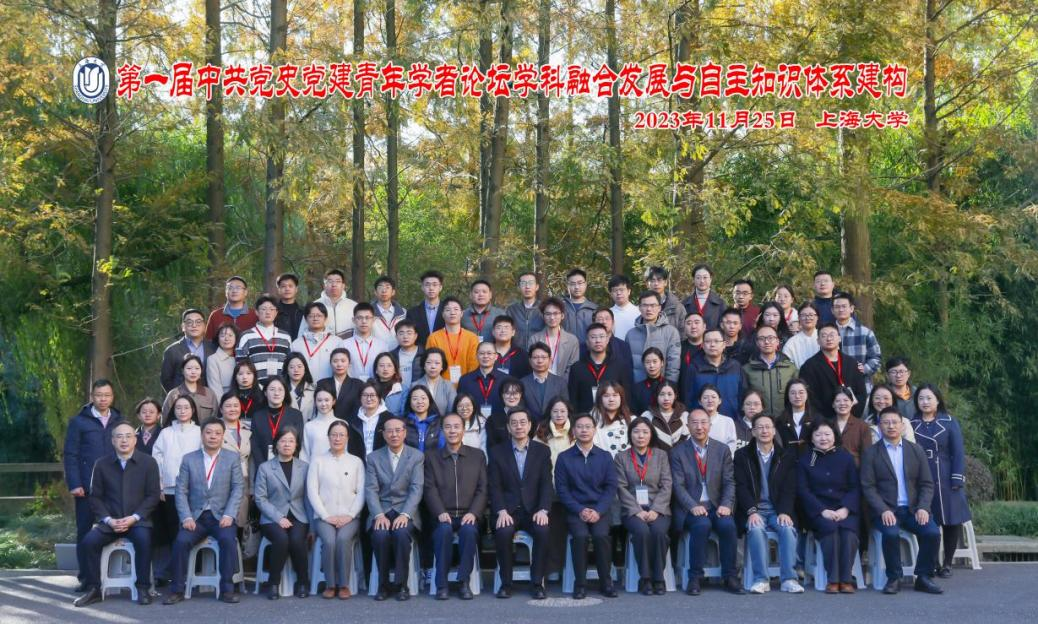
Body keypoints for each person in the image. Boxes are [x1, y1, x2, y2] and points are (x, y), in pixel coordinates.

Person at [72, 422, 161, 607]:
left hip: (138, 521)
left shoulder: (148, 463)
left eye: (128, 436)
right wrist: (109, 520)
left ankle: (143, 587)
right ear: (112, 441)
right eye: (119, 436)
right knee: (89, 542)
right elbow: (95, 498)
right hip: (110, 521)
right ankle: (94, 589)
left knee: (144, 541)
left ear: (135, 440)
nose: (124, 440)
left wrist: (134, 517)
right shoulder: (101, 464)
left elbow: (153, 496)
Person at [860, 407, 944, 595]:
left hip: (912, 509)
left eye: (894, 422)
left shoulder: (916, 450)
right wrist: (883, 509)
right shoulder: (871, 453)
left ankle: (923, 577)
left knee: (932, 532)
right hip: (886, 510)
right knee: (890, 533)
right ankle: (894, 577)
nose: (890, 426)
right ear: (879, 427)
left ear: (902, 425)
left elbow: (927, 483)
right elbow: (868, 487)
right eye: (886, 422)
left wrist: (923, 507)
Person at [163, 418, 245, 604]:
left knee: (228, 540)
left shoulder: (232, 458)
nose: (213, 436)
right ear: (202, 435)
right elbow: (181, 491)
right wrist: (186, 517)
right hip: (196, 517)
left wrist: (229, 514)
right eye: (208, 432)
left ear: (223, 437)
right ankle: (177, 590)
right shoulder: (189, 459)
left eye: (217, 433)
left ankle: (227, 590)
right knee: (181, 542)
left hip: (221, 516)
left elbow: (238, 488)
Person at [669, 409, 743, 595]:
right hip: (690, 508)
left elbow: (729, 481)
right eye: (694, 423)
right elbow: (677, 486)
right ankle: (695, 577)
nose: (699, 427)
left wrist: (726, 504)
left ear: (710, 425)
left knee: (728, 526)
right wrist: (692, 506)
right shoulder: (678, 452)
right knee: (701, 525)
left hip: (716, 505)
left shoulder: (722, 450)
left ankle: (730, 576)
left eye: (703, 422)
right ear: (688, 426)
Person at [64, 379, 124, 591]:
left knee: (115, 529)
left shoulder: (119, 421)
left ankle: (113, 575)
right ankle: (86, 579)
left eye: (107, 395)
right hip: (86, 487)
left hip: (114, 486)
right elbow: (70, 455)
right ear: (92, 397)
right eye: (99, 395)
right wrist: (75, 483)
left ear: (112, 397)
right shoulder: (79, 422)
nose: (103, 399)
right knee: (84, 532)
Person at [733, 413, 803, 594]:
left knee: (787, 529)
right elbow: (741, 487)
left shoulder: (786, 456)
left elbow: (790, 488)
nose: (764, 431)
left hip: (777, 510)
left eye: (768, 427)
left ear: (774, 431)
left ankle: (789, 579)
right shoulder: (742, 455)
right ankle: (761, 579)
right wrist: (751, 511)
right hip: (754, 510)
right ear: (753, 432)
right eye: (760, 427)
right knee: (755, 529)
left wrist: (785, 511)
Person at [488, 409, 552, 599]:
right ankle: (506, 584)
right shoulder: (497, 452)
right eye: (514, 423)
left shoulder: (542, 451)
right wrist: (501, 511)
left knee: (543, 531)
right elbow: (494, 486)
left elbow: (546, 484)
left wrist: (543, 510)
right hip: (508, 510)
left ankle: (537, 583)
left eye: (523, 422)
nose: (519, 426)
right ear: (508, 427)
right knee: (503, 532)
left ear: (530, 425)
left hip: (534, 510)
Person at [554, 413, 619, 599]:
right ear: (573, 431)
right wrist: (580, 510)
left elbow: (610, 487)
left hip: (600, 510)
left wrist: (598, 510)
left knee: (600, 536)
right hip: (575, 510)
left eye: (588, 427)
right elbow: (562, 490)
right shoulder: (564, 458)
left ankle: (606, 582)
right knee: (580, 536)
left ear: (594, 430)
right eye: (580, 427)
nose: (584, 430)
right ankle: (580, 584)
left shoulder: (605, 456)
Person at [424, 413, 488, 600]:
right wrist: (440, 512)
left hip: (469, 514)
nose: (452, 431)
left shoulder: (477, 456)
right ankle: (441, 584)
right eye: (448, 427)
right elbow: (429, 489)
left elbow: (483, 488)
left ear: (463, 429)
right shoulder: (431, 457)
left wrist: (474, 513)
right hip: (443, 515)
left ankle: (463, 581)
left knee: (469, 531)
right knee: (443, 531)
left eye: (456, 426)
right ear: (442, 430)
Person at [911, 384, 971, 578]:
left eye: (929, 398)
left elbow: (958, 452)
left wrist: (957, 478)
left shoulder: (949, 421)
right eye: (921, 398)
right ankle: (933, 562)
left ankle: (947, 564)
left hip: (946, 475)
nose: (925, 402)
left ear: (937, 400)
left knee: (951, 521)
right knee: (926, 519)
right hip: (922, 476)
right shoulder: (911, 424)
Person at [797, 419, 861, 594]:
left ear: (834, 436)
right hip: (818, 511)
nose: (823, 438)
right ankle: (833, 579)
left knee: (848, 533)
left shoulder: (845, 457)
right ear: (812, 438)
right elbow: (803, 490)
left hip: (844, 509)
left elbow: (855, 487)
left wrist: (845, 509)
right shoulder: (805, 460)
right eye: (818, 435)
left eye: (827, 434)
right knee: (830, 529)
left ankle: (846, 579)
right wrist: (822, 510)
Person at [365, 416, 425, 601]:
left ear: (405, 433)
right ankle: (383, 585)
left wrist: (406, 514)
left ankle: (402, 585)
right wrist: (378, 515)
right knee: (380, 535)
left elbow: (416, 489)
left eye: (398, 430)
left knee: (401, 533)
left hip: (405, 509)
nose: (394, 434)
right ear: (383, 435)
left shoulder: (416, 456)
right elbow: (371, 490)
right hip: (382, 509)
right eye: (389, 431)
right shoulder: (373, 457)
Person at [614, 417, 672, 595]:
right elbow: (620, 487)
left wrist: (655, 509)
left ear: (651, 435)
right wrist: (636, 510)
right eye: (636, 432)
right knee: (642, 532)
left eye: (645, 432)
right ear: (630, 434)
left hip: (658, 508)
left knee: (659, 532)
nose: (641, 436)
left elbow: (667, 484)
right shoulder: (621, 457)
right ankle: (645, 578)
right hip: (632, 510)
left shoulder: (661, 455)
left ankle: (659, 578)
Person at [307, 420, 365, 600]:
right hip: (324, 517)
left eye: (341, 435)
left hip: (350, 517)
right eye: (334, 435)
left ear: (347, 438)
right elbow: (312, 491)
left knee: (343, 539)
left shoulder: (356, 462)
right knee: (329, 540)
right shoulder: (318, 461)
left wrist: (350, 515)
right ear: (328, 437)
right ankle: (331, 584)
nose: (337, 438)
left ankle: (344, 584)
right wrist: (325, 516)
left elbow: (361, 492)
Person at [254, 427, 311, 599]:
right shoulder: (265, 468)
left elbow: (308, 497)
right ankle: (273, 583)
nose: (287, 444)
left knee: (296, 540)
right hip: (272, 517)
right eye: (283, 441)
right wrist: (278, 517)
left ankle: (303, 582)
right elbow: (260, 498)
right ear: (276, 444)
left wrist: (313, 525)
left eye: (291, 441)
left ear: (296, 445)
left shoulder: (304, 467)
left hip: (299, 515)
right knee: (281, 539)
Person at [152, 396, 201, 584]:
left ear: (193, 410)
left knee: (189, 531)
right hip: (169, 489)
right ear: (173, 410)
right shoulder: (165, 433)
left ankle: (190, 573)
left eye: (186, 407)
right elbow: (157, 459)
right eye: (178, 407)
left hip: (194, 491)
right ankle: (167, 573)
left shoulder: (199, 431)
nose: (182, 411)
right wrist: (159, 485)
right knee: (171, 530)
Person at [799, 323, 867, 420]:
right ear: (818, 341)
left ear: (839, 338)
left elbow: (861, 393)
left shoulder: (852, 363)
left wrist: (852, 417)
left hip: (851, 419)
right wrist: (823, 421)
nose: (829, 339)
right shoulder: (809, 367)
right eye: (824, 336)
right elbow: (809, 399)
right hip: (823, 422)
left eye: (832, 335)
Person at [684, 328, 748, 420]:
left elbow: (743, 395)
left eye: (716, 341)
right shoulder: (694, 368)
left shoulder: (735, 367)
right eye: (708, 341)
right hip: (702, 423)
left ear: (724, 344)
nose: (712, 345)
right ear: (703, 345)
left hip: (732, 420)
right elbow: (688, 398)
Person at [570, 322, 632, 412]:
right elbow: (573, 399)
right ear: (587, 342)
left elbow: (627, 396)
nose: (598, 340)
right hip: (586, 417)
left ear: (607, 340)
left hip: (614, 417)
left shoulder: (620, 366)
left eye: (601, 336)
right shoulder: (577, 368)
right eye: (593, 337)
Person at [250, 377, 305, 477]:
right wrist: (264, 467)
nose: (276, 393)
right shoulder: (257, 416)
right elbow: (255, 445)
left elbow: (298, 443)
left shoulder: (296, 415)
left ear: (285, 393)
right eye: (272, 389)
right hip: (263, 469)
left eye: (280, 389)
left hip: (289, 467)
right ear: (265, 393)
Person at [743, 325, 798, 419]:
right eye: (762, 338)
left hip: (785, 421)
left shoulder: (790, 368)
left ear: (777, 341)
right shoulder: (747, 369)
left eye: (771, 338)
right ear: (757, 343)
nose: (767, 342)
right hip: (759, 422)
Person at [236, 294, 293, 385]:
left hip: (280, 388)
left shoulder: (285, 337)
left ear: (276, 312)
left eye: (271, 309)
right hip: (254, 388)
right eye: (263, 309)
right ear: (256, 312)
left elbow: (290, 364)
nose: (268, 312)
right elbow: (240, 366)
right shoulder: (246, 336)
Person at [626, 290, 681, 383]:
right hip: (637, 387)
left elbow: (673, 365)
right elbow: (627, 365)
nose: (649, 309)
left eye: (653, 305)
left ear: (659, 308)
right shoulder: (631, 334)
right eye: (645, 305)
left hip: (663, 388)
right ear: (639, 308)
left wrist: (669, 386)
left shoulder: (671, 332)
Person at [458, 341, 517, 422]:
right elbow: (460, 405)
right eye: (482, 353)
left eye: (489, 353)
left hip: (500, 424)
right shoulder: (465, 380)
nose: (485, 356)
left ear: (496, 356)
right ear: (476, 356)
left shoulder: (507, 380)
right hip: (474, 425)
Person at [425, 296, 480, 384]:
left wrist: (468, 386)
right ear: (443, 314)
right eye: (448, 310)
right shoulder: (434, 338)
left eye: (456, 309)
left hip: (466, 386)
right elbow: (430, 365)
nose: (452, 313)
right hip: (440, 386)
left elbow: (474, 366)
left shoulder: (472, 338)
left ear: (461, 313)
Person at [161, 309, 215, 393]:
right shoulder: (172, 351)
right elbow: (166, 380)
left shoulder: (213, 348)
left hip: (208, 398)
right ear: (183, 326)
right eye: (189, 322)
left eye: (198, 322)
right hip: (182, 398)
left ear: (204, 326)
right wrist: (176, 397)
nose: (194, 325)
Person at [218, 394, 252, 528]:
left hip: (244, 478)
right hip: (222, 480)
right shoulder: (214, 428)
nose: (232, 409)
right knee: (225, 520)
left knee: (241, 519)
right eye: (228, 406)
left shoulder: (247, 429)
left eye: (236, 406)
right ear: (221, 409)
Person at [292, 302, 345, 384]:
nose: (315, 318)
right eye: (311, 316)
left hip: (329, 388)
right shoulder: (296, 344)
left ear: (325, 318)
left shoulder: (337, 342)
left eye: (319, 315)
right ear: (305, 319)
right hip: (303, 388)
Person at [832, 292, 881, 378]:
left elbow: (876, 358)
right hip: (834, 382)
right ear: (832, 310)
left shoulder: (865, 333)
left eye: (844, 306)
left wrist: (863, 369)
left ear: (851, 309)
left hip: (860, 382)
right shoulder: (826, 333)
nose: (841, 310)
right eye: (837, 307)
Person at [530, 297, 580, 378]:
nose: (552, 317)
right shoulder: (534, 339)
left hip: (564, 383)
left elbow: (572, 368)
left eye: (556, 313)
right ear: (543, 316)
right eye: (548, 314)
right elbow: (532, 364)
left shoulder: (572, 341)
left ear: (562, 315)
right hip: (540, 381)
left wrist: (560, 383)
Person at [162, 355, 218, 424]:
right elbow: (165, 421)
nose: (193, 372)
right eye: (189, 368)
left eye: (197, 368)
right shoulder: (174, 394)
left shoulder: (209, 394)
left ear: (201, 371)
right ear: (182, 371)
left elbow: (214, 418)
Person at [521, 342, 569, 420]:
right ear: (530, 360)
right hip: (530, 425)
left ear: (550, 360)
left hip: (553, 425)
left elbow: (565, 407)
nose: (540, 361)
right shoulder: (522, 383)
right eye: (535, 357)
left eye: (543, 357)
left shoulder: (560, 382)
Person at [344, 303, 390, 382]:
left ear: (373, 320)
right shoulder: (344, 345)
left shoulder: (382, 346)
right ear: (353, 320)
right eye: (359, 318)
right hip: (351, 387)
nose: (364, 321)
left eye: (367, 318)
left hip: (376, 387)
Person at [316, 348, 363, 423]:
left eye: (343, 361)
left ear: (349, 363)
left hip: (351, 426)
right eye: (335, 361)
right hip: (326, 425)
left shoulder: (358, 384)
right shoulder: (321, 383)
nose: (339, 364)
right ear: (330, 363)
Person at [775, 378, 820, 457]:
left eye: (801, 392)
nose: (797, 396)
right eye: (793, 393)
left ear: (807, 394)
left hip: (811, 461)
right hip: (787, 462)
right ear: (788, 396)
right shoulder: (780, 421)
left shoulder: (817, 419)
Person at [205, 276, 258, 341]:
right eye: (230, 288)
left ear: (245, 292)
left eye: (238, 287)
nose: (234, 291)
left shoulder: (255, 315)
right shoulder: (215, 315)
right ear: (226, 292)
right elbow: (208, 341)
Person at [301, 387, 346, 462]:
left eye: (327, 400)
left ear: (333, 401)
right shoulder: (308, 426)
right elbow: (304, 455)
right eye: (319, 400)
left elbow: (346, 451)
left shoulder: (343, 424)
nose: (323, 404)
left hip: (338, 468)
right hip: (314, 468)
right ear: (315, 402)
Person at [505, 271, 545, 349]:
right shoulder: (511, 310)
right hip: (517, 352)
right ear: (519, 287)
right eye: (523, 283)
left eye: (531, 283)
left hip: (539, 352)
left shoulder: (544, 308)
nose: (527, 287)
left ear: (537, 287)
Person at [833, 386, 872, 465]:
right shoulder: (827, 425)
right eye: (838, 401)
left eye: (846, 400)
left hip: (855, 470)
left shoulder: (862, 426)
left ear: (852, 403)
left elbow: (867, 456)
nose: (842, 403)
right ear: (833, 405)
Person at [591, 381, 632, 456]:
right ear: (600, 399)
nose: (611, 399)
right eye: (606, 396)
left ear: (621, 397)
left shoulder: (632, 420)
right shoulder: (591, 421)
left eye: (615, 395)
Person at [645, 381, 689, 452]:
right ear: (656, 396)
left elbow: (688, 439)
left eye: (670, 394)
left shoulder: (684, 415)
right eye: (662, 394)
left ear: (675, 396)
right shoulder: (647, 415)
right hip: (655, 457)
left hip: (680, 456)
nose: (666, 398)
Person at [405, 269, 446, 345]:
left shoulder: (448, 310)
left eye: (434, 285)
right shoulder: (412, 313)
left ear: (440, 287)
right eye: (427, 285)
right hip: (420, 351)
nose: (431, 288)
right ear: (422, 287)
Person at [412, 348, 457, 416]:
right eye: (429, 363)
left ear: (442, 366)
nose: (433, 366)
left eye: (437, 363)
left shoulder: (448, 386)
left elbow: (452, 411)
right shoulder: (414, 385)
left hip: (443, 422)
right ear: (424, 365)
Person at [460, 279, 505, 343]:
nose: (481, 294)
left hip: (493, 349)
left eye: (484, 292)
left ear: (490, 295)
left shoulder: (500, 314)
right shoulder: (462, 315)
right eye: (476, 292)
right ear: (470, 295)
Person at [698, 384, 738, 455]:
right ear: (700, 402)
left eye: (713, 397)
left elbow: (731, 447)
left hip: (722, 460)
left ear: (719, 401)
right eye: (705, 397)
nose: (710, 400)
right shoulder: (694, 421)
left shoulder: (728, 421)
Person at [316, 269, 357, 339]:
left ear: (343, 285)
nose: (334, 285)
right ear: (324, 285)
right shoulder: (314, 306)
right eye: (330, 281)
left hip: (348, 345)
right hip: (322, 344)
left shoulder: (354, 306)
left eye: (338, 281)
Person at [682, 264, 725, 329]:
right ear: (693, 279)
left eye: (705, 277)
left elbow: (723, 327)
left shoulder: (720, 304)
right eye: (698, 277)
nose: (702, 281)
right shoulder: (685, 304)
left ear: (710, 279)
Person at [561, 268, 598, 344]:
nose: (576, 287)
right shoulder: (560, 307)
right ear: (567, 285)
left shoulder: (594, 309)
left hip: (588, 349)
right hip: (565, 349)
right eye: (572, 284)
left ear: (585, 284)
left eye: (580, 283)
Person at [402, 385, 443, 452]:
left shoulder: (439, 422)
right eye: (415, 399)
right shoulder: (402, 424)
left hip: (434, 459)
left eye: (423, 398)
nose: (419, 402)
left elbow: (443, 448)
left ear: (429, 400)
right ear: (409, 402)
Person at [486, 379, 526, 449]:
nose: (511, 397)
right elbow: (491, 446)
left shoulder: (528, 417)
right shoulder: (492, 420)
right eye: (507, 393)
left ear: (520, 395)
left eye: (515, 393)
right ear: (502, 395)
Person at [371, 275, 407, 348]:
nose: (384, 291)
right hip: (376, 352)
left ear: (393, 292)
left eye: (387, 287)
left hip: (398, 352)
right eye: (380, 287)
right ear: (375, 292)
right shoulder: (368, 313)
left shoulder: (403, 313)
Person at [630, 347, 666, 415]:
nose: (651, 365)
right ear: (643, 364)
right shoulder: (637, 388)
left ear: (662, 363)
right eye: (647, 362)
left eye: (655, 361)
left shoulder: (670, 386)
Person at [782, 302, 820, 368]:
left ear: (817, 317)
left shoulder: (825, 338)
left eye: (811, 315)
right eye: (804, 315)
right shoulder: (791, 343)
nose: (807, 318)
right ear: (799, 318)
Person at [391, 319, 425, 393]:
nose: (405, 336)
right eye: (401, 333)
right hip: (398, 394)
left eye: (409, 333)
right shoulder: (391, 356)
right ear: (396, 336)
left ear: (415, 336)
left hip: (418, 394)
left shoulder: (424, 355)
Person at [207, 323, 241, 396]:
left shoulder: (241, 358)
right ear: (218, 338)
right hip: (224, 401)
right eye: (222, 336)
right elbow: (215, 390)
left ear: (236, 338)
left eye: (230, 335)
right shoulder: (213, 359)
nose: (226, 339)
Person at [283, 352, 316, 421]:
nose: (296, 370)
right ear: (287, 370)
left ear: (305, 369)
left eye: (299, 366)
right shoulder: (281, 390)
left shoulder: (314, 389)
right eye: (292, 367)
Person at [608, 274, 640, 340]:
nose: (618, 293)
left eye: (621, 290)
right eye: (615, 290)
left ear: (629, 291)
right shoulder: (607, 314)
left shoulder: (639, 312)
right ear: (611, 294)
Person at [274, 273, 305, 339]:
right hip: (279, 344)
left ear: (296, 289)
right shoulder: (273, 311)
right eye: (283, 286)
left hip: (300, 344)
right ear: (279, 290)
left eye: (290, 286)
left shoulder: (304, 311)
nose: (287, 289)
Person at [886, 356, 918, 421]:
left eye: (902, 371)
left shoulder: (917, 393)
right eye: (894, 372)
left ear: (908, 374)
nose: (898, 375)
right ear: (887, 375)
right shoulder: (884, 394)